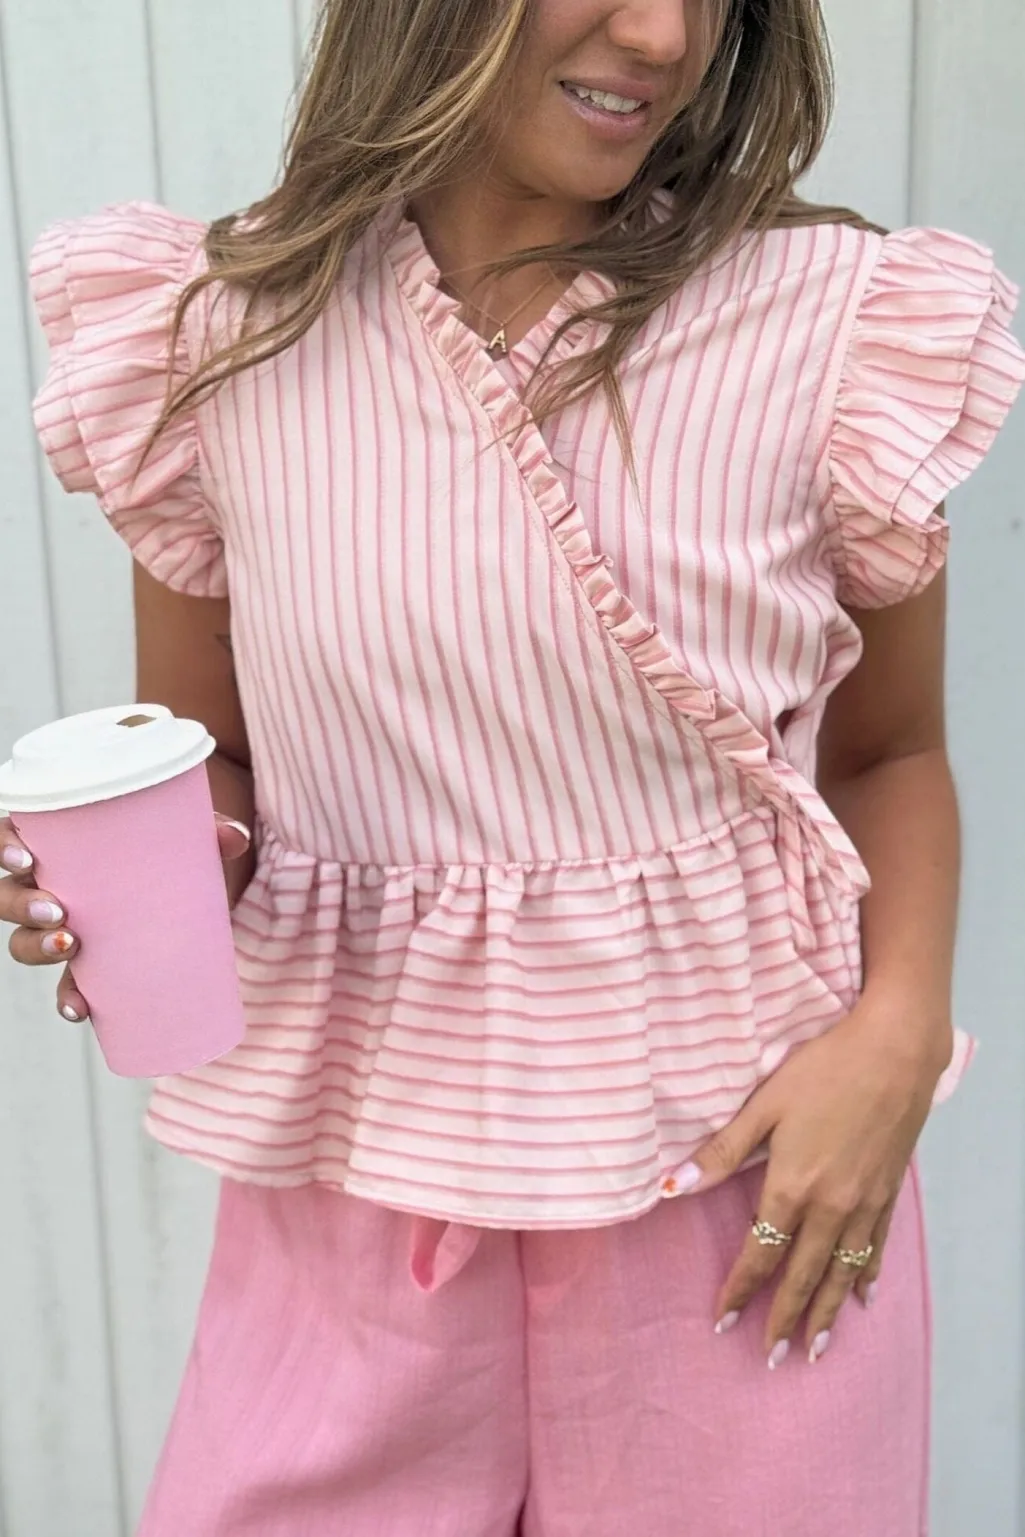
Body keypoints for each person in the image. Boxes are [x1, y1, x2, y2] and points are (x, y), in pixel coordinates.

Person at [2, 0, 1024, 1531]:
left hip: (746, 1176)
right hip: (355, 1179)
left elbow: (892, 749)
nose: (662, 35)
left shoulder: (835, 328)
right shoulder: (223, 334)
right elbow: (216, 758)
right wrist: (150, 880)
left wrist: (895, 1041)